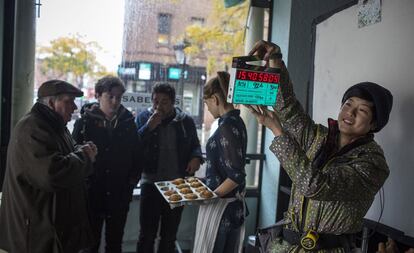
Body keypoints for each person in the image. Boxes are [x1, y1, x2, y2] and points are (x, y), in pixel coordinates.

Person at [248, 40, 393, 253]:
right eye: (348, 104)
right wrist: (276, 60)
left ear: (374, 124)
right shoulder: (318, 137)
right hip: (286, 246)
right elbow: (287, 107)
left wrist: (278, 132)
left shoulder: (373, 164)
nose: (350, 113)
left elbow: (316, 186)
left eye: (362, 110)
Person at [0, 80, 97, 253]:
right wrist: (85, 156)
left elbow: (67, 153)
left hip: (51, 232)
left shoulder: (56, 126)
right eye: (69, 101)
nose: (74, 107)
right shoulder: (32, 127)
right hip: (35, 236)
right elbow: (52, 174)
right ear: (51, 103)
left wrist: (81, 150)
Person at [72, 76, 142, 253]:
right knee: (89, 243)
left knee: (115, 243)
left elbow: (137, 155)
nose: (115, 101)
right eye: (110, 96)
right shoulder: (84, 124)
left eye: (119, 97)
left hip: (119, 193)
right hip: (92, 193)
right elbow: (73, 156)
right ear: (97, 95)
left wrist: (131, 182)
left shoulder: (128, 123)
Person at [135, 83, 203, 253]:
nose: (158, 106)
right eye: (155, 101)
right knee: (147, 234)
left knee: (169, 235)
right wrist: (148, 128)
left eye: (164, 102)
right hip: (150, 182)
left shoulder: (185, 121)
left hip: (177, 184)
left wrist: (196, 157)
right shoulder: (143, 118)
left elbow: (195, 145)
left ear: (173, 103)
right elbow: (133, 146)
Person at [193, 72, 248, 253]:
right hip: (232, 206)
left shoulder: (226, 127)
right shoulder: (237, 122)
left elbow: (236, 176)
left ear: (215, 99)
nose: (207, 108)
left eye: (207, 102)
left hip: (222, 207)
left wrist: (210, 195)